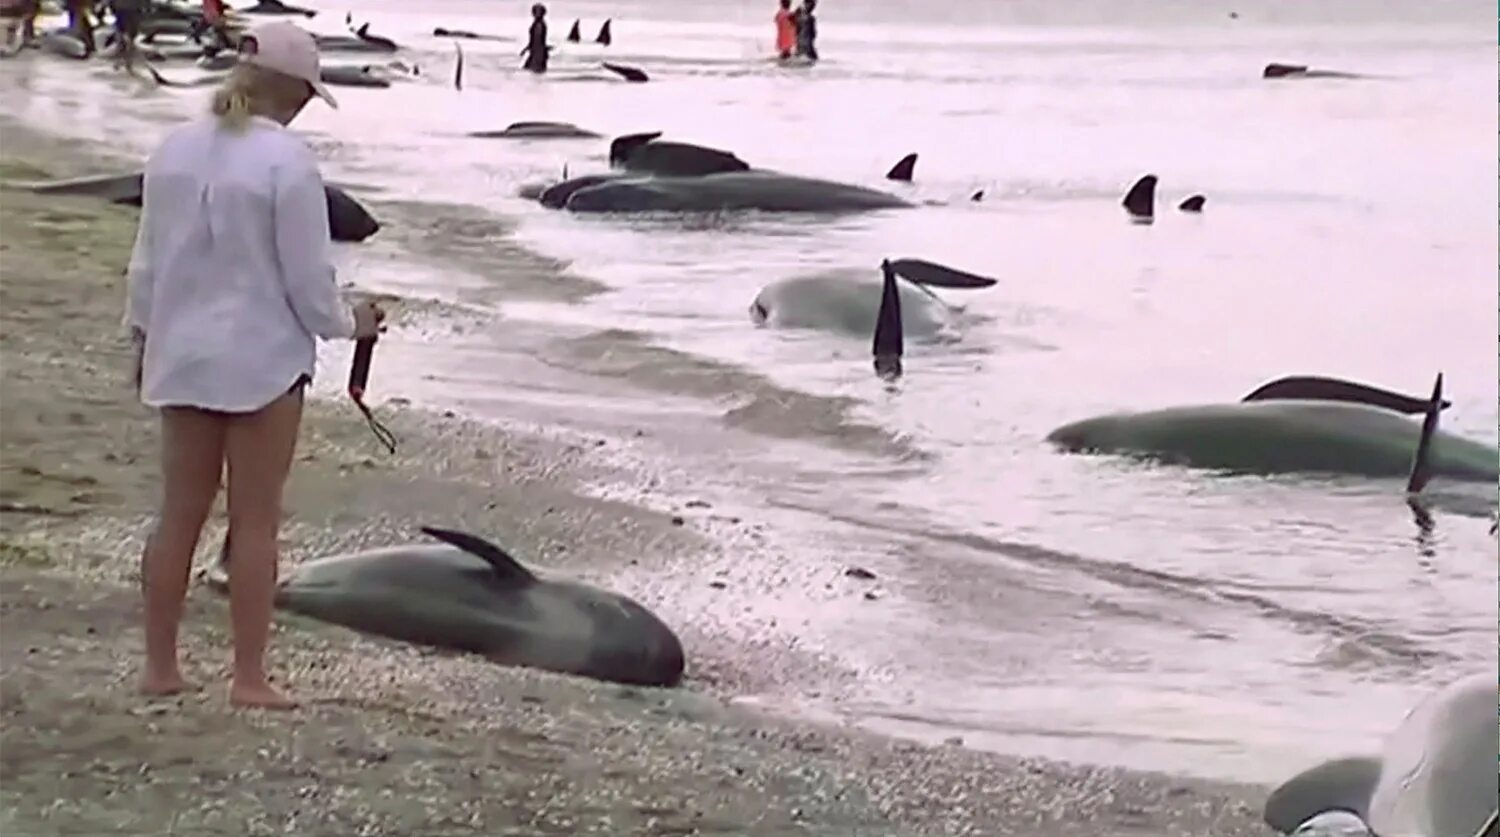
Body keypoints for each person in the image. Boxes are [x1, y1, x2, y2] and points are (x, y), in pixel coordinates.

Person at [124, 19, 385, 709]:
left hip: (180, 349)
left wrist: (141, 336)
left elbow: (147, 262)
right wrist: (350, 323)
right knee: (257, 517)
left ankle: (159, 667)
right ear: (297, 94)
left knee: (177, 512)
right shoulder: (288, 161)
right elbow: (307, 281)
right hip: (262, 359)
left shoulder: (173, 149)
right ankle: (247, 677)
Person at [106, 0, 145, 74]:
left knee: (127, 37)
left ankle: (126, 62)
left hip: (130, 10)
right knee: (124, 37)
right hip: (125, 10)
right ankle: (124, 62)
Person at [520, 2, 548, 74]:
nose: (534, 13)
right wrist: (526, 49)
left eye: (537, 11)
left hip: (538, 54)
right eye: (535, 11)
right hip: (537, 52)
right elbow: (533, 40)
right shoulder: (537, 24)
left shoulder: (539, 25)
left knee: (533, 70)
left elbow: (538, 40)